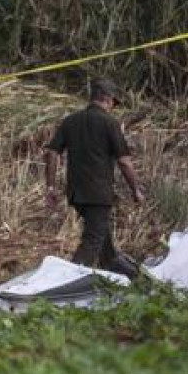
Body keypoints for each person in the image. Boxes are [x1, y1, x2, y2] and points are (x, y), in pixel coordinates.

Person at [44, 79, 145, 277]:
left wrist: (50, 187)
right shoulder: (109, 123)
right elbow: (124, 161)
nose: (112, 108)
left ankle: (135, 279)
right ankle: (65, 282)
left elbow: (52, 153)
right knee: (93, 240)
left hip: (76, 194)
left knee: (104, 246)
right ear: (107, 99)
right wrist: (136, 190)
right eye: (113, 104)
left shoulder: (70, 121)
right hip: (98, 194)